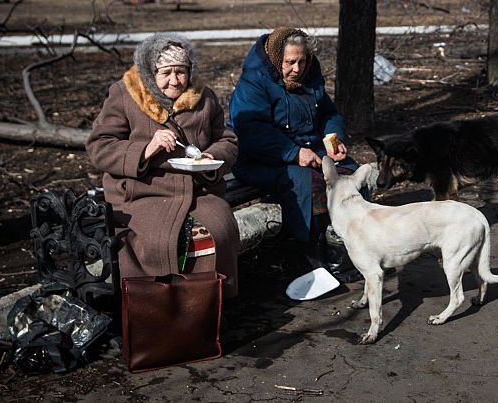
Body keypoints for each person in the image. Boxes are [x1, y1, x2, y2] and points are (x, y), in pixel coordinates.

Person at [87, 33, 241, 297]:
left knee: (221, 231)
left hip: (197, 191)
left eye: (181, 72)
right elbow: (99, 146)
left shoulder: (204, 98)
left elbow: (227, 140)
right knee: (154, 242)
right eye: (166, 72)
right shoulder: (126, 95)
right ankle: (156, 307)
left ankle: (207, 304)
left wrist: (210, 158)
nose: (174, 81)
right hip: (142, 193)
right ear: (150, 72)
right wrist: (145, 150)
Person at [227, 27, 359, 280]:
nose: (297, 69)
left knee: (348, 173)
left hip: (310, 150)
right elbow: (250, 131)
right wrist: (292, 152)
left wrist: (334, 138)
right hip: (262, 159)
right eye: (290, 62)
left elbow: (329, 113)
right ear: (277, 58)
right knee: (307, 182)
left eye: (302, 61)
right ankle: (308, 256)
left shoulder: (310, 74)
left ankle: (344, 247)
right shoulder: (254, 81)